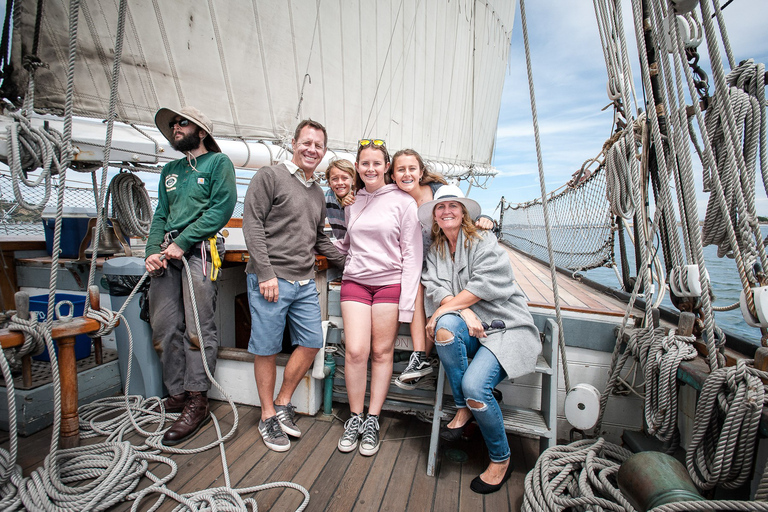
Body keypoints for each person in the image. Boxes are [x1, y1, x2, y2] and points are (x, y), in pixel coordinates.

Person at [419, 184, 541, 494]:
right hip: (469, 324)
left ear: (464, 212)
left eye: (454, 206)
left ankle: (501, 458)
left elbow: (487, 284)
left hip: (505, 327)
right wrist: (463, 312)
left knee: (475, 385)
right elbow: (435, 286)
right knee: (445, 327)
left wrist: (447, 311)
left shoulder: (484, 240)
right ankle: (463, 407)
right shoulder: (435, 249)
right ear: (434, 215)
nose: (447, 211)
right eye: (441, 207)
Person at [243, 119, 346, 452]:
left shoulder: (316, 191)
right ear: (294, 143)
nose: (311, 149)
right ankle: (267, 415)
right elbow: (252, 225)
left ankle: (283, 401)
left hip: (303, 282)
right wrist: (265, 273)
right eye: (306, 142)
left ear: (324, 151)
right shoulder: (269, 176)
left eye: (318, 145)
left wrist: (354, 263)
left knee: (313, 341)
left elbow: (319, 239)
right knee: (267, 348)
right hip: (271, 280)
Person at [145, 106, 237, 446]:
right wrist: (152, 251)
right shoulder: (169, 170)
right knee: (164, 326)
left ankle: (198, 398)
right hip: (166, 255)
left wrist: (183, 242)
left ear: (201, 131)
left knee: (199, 328)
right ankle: (177, 393)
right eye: (172, 124)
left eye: (181, 123)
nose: (175, 128)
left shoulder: (218, 163)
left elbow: (222, 207)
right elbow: (160, 214)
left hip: (198, 249)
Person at [335, 139, 422, 456]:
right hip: (355, 281)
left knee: (382, 353)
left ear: (387, 167)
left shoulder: (404, 202)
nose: (370, 168)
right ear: (358, 167)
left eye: (376, 163)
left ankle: (373, 419)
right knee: (356, 351)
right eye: (364, 163)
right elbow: (347, 243)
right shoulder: (352, 200)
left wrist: (408, 304)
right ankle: (355, 417)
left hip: (389, 285)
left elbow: (413, 256)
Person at [387, 149, 494, 389]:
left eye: (411, 169)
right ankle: (420, 358)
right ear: (392, 175)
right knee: (418, 285)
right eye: (400, 170)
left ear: (421, 172)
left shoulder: (437, 192)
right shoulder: (393, 197)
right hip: (418, 265)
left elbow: (460, 211)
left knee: (427, 288)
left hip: (444, 261)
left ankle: (422, 357)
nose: (406, 174)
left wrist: (485, 217)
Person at [324, 158, 356, 240]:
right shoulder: (327, 198)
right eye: (334, 179)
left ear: (353, 181)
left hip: (361, 245)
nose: (340, 183)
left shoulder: (359, 196)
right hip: (341, 244)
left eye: (345, 178)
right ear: (329, 183)